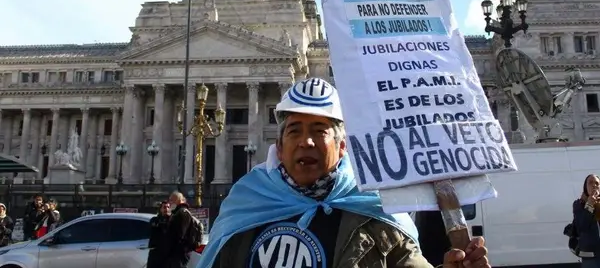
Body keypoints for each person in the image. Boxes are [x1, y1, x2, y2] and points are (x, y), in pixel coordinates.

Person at [197, 77, 490, 268]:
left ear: (342, 147)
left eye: (319, 131)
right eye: (295, 131)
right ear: (279, 147)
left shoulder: (376, 209)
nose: (306, 142)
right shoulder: (247, 203)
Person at [165, 192, 202, 268]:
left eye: (172, 200)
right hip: (178, 251)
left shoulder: (182, 213)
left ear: (177, 200)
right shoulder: (177, 213)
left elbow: (181, 233)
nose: (170, 203)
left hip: (180, 251)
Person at [147, 201, 172, 268]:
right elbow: (154, 226)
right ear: (160, 209)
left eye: (168, 207)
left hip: (167, 253)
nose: (166, 209)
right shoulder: (154, 220)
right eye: (164, 207)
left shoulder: (172, 220)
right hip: (155, 253)